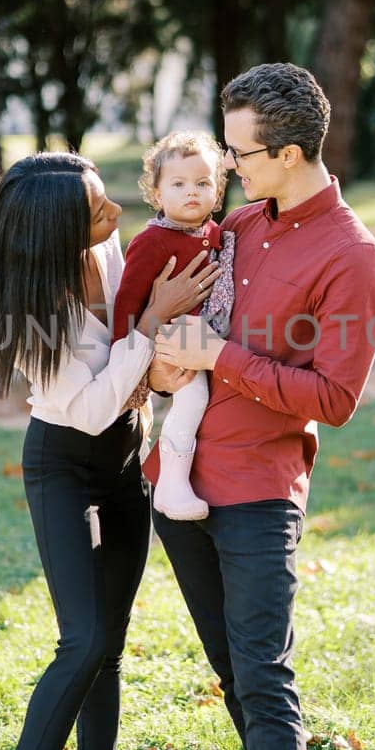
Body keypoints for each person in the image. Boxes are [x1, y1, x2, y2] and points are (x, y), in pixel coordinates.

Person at [149, 64, 375, 750]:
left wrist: (223, 355)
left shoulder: (352, 256)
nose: (229, 167)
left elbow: (334, 396)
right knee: (231, 670)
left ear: (288, 154)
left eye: (242, 153)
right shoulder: (239, 226)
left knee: (263, 678)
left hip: (257, 492)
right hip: (179, 488)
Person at [0, 152, 219, 750]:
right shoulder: (38, 307)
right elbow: (81, 406)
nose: (114, 208)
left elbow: (128, 380)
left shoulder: (109, 248)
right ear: (55, 229)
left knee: (107, 644)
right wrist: (146, 328)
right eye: (94, 205)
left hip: (123, 457)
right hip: (65, 465)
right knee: (79, 641)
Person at [111, 131, 236, 521]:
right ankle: (172, 484)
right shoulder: (152, 242)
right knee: (193, 395)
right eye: (178, 184)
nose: (191, 193)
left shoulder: (215, 234)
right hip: (171, 334)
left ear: (217, 192)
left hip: (205, 333)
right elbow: (128, 300)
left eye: (203, 183)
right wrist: (127, 356)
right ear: (157, 194)